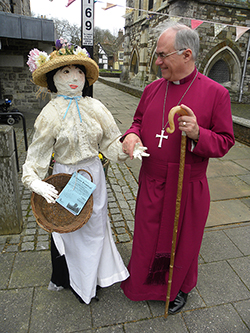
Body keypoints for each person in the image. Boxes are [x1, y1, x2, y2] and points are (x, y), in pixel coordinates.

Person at [120, 23, 235, 314]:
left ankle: (178, 287)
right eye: (157, 54)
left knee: (182, 241)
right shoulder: (151, 89)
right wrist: (132, 134)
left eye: (162, 55)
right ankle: (145, 284)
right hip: (152, 180)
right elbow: (137, 121)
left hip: (187, 185)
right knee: (147, 236)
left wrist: (199, 133)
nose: (157, 61)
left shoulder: (216, 94)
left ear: (186, 55)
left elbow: (225, 141)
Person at [22, 41, 130, 304]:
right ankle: (74, 280)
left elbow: (110, 143)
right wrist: (35, 181)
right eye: (65, 72)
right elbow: (36, 155)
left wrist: (128, 148)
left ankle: (96, 278)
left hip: (93, 176)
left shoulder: (95, 107)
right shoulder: (50, 114)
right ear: (53, 78)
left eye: (78, 71)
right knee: (69, 230)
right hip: (65, 177)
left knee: (95, 226)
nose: (74, 78)